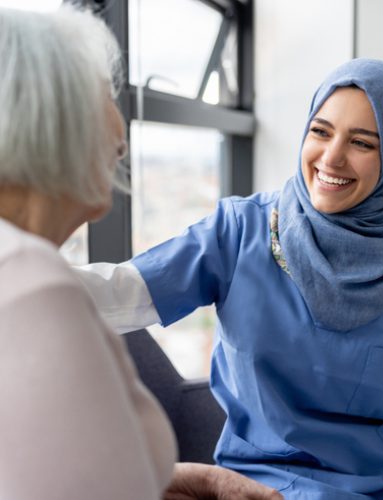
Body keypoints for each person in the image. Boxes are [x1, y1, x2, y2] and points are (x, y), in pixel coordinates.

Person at [77, 57, 383, 499]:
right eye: (320, 131)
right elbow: (121, 293)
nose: (332, 157)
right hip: (245, 487)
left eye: (362, 143)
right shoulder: (240, 231)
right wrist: (21, 277)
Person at [0, 4, 284, 500]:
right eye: (105, 98)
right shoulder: (31, 286)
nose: (121, 136)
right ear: (54, 119)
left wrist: (184, 478)